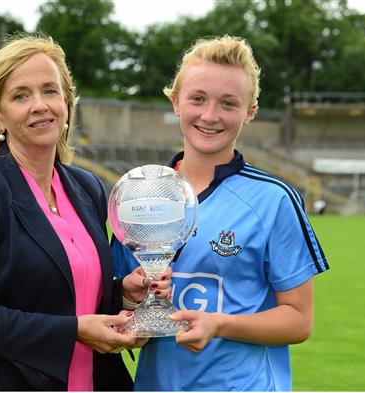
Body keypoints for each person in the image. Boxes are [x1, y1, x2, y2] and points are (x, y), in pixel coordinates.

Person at [0, 34, 170, 391]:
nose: (40, 104)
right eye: (21, 95)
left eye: (50, 91)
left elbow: (65, 292)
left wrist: (125, 296)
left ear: (66, 104)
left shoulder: (87, 188)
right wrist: (74, 332)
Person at [112, 35, 329, 391]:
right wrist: (129, 301)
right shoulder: (135, 197)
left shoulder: (274, 200)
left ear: (250, 112)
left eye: (228, 103)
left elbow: (299, 320)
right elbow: (122, 311)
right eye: (197, 99)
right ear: (175, 101)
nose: (210, 116)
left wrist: (220, 324)